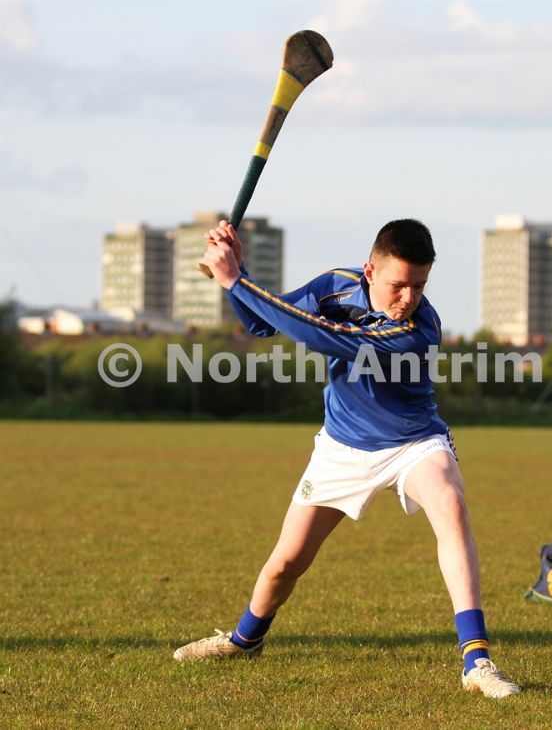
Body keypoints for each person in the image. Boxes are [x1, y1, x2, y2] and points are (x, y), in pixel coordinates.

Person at [172, 218, 520, 699]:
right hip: (341, 448)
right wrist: (238, 271)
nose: (409, 298)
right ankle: (244, 641)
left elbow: (327, 338)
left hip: (412, 442)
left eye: (419, 286)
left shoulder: (419, 329)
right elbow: (260, 323)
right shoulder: (335, 286)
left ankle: (476, 661)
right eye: (399, 285)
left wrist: (235, 280)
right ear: (369, 271)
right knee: (286, 562)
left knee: (451, 505)